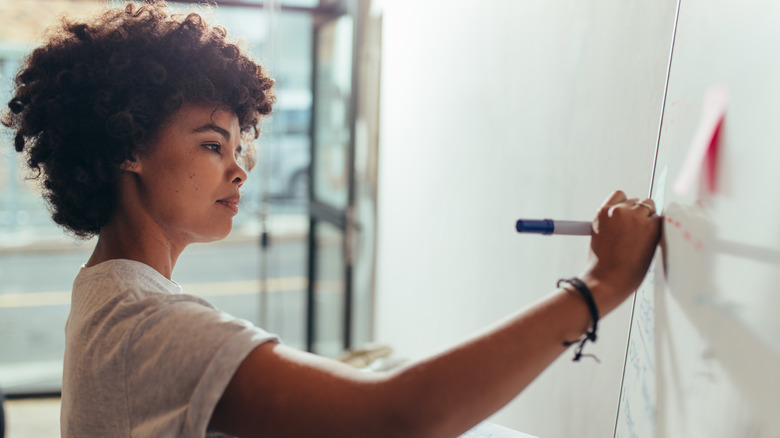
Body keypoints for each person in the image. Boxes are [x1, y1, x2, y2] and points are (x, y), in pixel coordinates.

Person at [3, 2, 661, 437]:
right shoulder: (144, 323)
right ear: (127, 147)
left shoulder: (108, 297)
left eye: (239, 147)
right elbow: (400, 417)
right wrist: (601, 286)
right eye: (211, 145)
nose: (240, 170)